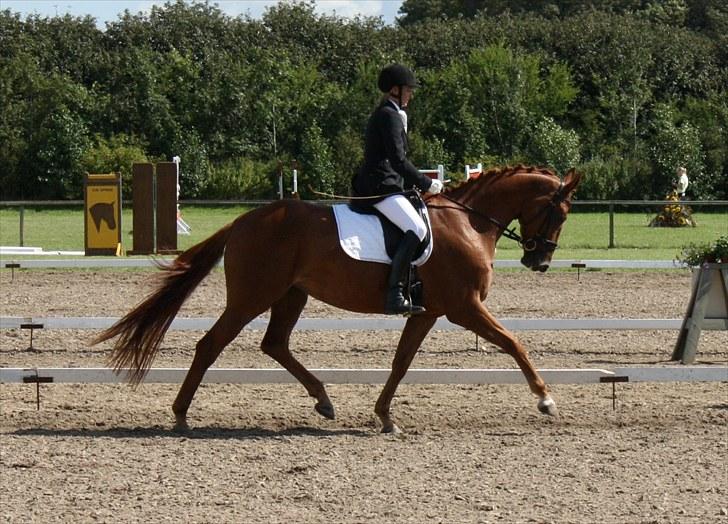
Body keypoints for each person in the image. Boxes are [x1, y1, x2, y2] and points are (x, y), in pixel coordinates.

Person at [351, 63, 443, 315]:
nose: (411, 94)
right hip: (380, 186)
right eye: (408, 90)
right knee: (417, 228)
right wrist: (426, 183)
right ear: (395, 90)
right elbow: (398, 160)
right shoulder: (388, 115)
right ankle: (395, 294)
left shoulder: (391, 113)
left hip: (389, 184)